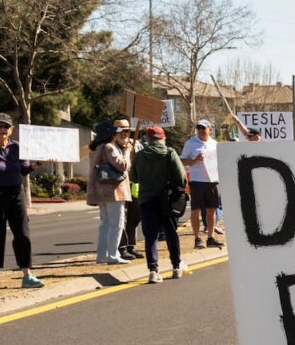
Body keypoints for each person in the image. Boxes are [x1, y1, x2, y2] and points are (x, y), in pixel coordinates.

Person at [0, 113, 45, 289]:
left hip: (16, 193)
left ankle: (27, 275)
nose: (2, 130)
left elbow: (24, 169)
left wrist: (37, 165)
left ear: (11, 130)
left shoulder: (17, 147)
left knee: (23, 233)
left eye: (6, 127)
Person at [132, 125, 187, 282]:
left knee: (151, 236)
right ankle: (176, 267)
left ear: (147, 139)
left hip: (146, 199)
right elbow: (181, 177)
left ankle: (153, 271)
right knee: (171, 234)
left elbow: (134, 178)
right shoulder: (170, 153)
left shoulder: (139, 155)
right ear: (163, 138)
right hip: (167, 200)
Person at [88, 119, 133, 265]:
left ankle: (102, 255)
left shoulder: (96, 148)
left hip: (101, 190)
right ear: (111, 135)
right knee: (116, 224)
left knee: (105, 224)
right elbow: (122, 165)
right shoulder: (109, 147)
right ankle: (113, 255)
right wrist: (127, 152)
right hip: (113, 190)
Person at [180, 120, 222, 249]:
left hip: (213, 181)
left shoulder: (215, 144)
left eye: (204, 128)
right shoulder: (191, 143)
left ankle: (210, 238)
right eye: (199, 128)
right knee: (195, 210)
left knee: (211, 211)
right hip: (197, 181)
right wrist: (194, 160)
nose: (201, 130)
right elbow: (182, 160)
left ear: (210, 129)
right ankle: (197, 239)